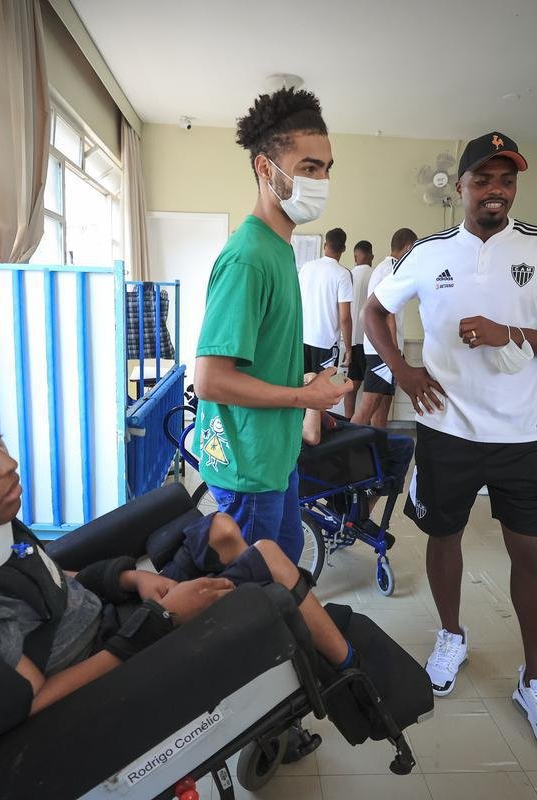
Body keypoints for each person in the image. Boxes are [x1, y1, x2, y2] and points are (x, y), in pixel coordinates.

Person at [0, 367, 359, 716]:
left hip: (112, 616)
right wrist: (162, 621)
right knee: (268, 560)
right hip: (113, 667)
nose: (7, 465)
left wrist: (130, 577)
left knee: (223, 530)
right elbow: (33, 701)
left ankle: (324, 648)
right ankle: (355, 681)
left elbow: (39, 578)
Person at [363, 131, 537, 762]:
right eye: (484, 179)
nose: (496, 190)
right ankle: (452, 636)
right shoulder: (430, 252)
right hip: (447, 429)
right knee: (443, 537)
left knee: (533, 554)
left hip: (522, 434)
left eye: (507, 180)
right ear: (459, 187)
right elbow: (376, 311)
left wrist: (506, 332)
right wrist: (402, 373)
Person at [193, 88, 350, 565]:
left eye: (326, 168)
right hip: (248, 463)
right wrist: (306, 398)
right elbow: (210, 380)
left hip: (272, 455)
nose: (321, 180)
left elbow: (256, 357)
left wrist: (300, 383)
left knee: (285, 565)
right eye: (308, 168)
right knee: (256, 595)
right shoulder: (249, 258)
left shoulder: (280, 250)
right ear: (266, 169)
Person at [301, 372, 415, 523]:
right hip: (326, 445)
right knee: (403, 445)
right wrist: (312, 389)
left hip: (331, 428)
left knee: (387, 439)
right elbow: (311, 436)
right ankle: (363, 513)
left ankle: (353, 508)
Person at [353, 228, 417, 428]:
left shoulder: (385, 267)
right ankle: (344, 454)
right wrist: (394, 351)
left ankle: (377, 454)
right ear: (407, 247)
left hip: (382, 348)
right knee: (368, 407)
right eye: (414, 250)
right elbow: (387, 312)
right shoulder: (390, 269)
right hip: (382, 349)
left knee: (382, 407)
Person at [299, 228, 354, 374]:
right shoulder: (343, 274)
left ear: (325, 245)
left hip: (302, 339)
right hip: (326, 343)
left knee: (301, 389)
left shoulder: (306, 268)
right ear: (344, 248)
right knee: (323, 393)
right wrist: (348, 350)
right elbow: (345, 317)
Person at [344, 240, 375, 419]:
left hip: (351, 338)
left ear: (355, 256)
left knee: (352, 384)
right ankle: (367, 422)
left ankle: (349, 419)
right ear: (370, 254)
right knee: (372, 387)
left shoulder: (347, 274)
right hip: (369, 339)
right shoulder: (375, 274)